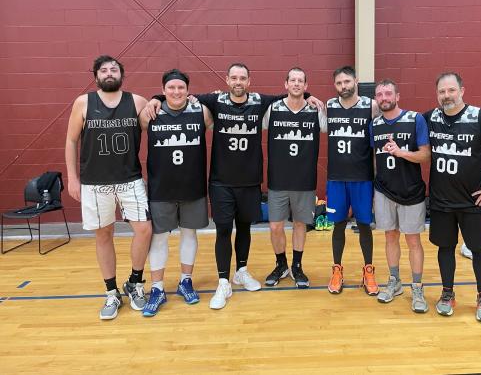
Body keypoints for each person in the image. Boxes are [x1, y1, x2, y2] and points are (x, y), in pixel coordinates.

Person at [145, 63, 321, 309]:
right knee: (224, 231)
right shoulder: (215, 101)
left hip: (249, 180)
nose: (238, 82)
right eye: (234, 78)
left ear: (249, 81)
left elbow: (289, 94)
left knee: (245, 228)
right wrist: (157, 98)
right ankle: (223, 281)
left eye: (243, 78)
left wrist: (309, 95)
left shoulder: (260, 102)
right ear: (227, 80)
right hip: (221, 181)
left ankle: (241, 271)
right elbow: (179, 96)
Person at [65, 55, 152, 320]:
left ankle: (135, 282)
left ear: (121, 75)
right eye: (104, 70)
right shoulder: (83, 102)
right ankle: (111, 291)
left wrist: (159, 99)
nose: (109, 73)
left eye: (114, 69)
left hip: (130, 178)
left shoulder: (137, 101)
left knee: (144, 229)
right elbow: (71, 141)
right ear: (96, 77)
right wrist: (72, 177)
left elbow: (159, 124)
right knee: (103, 235)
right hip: (94, 182)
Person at [424, 72, 481, 323]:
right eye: (442, 91)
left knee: (479, 250)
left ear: (462, 90)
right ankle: (447, 293)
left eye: (451, 90)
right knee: (445, 248)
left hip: (472, 201)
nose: (446, 96)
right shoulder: (430, 118)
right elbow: (401, 122)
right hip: (441, 202)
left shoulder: (480, 117)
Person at [139, 69, 213, 317]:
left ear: (188, 90)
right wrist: (153, 100)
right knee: (159, 238)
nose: (176, 92)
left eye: (181, 87)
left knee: (189, 234)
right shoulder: (152, 113)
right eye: (171, 88)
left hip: (192, 186)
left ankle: (185, 281)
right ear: (163, 90)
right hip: (161, 188)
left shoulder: (200, 111)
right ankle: (157, 288)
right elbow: (138, 120)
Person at [262, 67, 327, 289]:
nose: (297, 84)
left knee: (300, 225)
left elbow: (331, 128)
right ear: (286, 84)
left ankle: (297, 266)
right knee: (275, 226)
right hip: (278, 179)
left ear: (306, 86)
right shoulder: (273, 109)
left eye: (301, 81)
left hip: (304, 179)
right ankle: (281, 264)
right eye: (293, 80)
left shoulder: (315, 110)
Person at [370, 80, 430, 313]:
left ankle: (417, 286)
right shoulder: (374, 124)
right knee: (390, 237)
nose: (384, 98)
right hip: (384, 190)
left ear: (397, 96)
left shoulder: (415, 119)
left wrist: (401, 152)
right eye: (379, 95)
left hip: (411, 190)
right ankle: (394, 281)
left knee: (413, 240)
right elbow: (375, 159)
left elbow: (425, 155)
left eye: (388, 93)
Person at [325, 66, 379, 295]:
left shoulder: (371, 106)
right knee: (337, 224)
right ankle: (337, 269)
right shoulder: (328, 106)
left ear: (356, 80)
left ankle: (368, 271)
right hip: (336, 178)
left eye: (347, 81)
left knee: (364, 225)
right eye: (339, 83)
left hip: (362, 179)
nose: (343, 86)